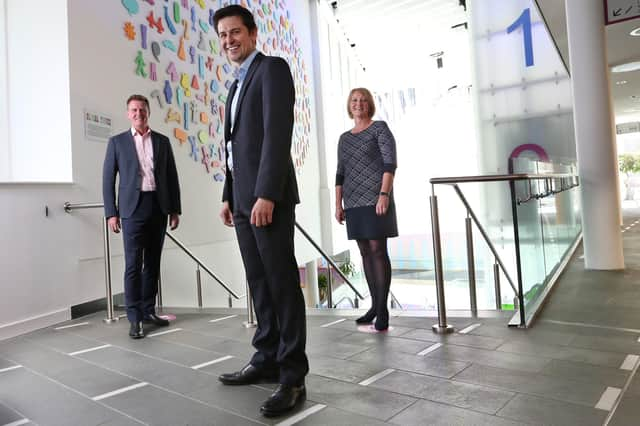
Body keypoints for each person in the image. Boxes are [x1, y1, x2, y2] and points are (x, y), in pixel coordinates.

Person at [213, 5, 308, 418]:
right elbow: (236, 147)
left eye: (235, 32)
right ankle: (266, 356)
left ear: (252, 33)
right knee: (258, 282)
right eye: (222, 35)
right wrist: (228, 194)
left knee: (282, 283)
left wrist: (266, 193)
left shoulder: (271, 69)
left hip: (267, 198)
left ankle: (292, 376)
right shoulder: (235, 85)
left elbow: (276, 133)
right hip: (241, 200)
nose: (228, 41)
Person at [102, 94, 181, 339]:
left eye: (142, 110)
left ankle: (148, 311)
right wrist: (111, 213)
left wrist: (175, 209)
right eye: (134, 110)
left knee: (153, 263)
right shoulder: (117, 142)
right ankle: (134, 318)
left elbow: (171, 177)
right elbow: (107, 179)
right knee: (133, 265)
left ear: (148, 112)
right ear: (128, 114)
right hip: (131, 210)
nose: (138, 114)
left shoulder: (162, 141)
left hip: (157, 207)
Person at [335, 88, 398, 331]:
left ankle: (382, 310)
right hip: (353, 201)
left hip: (376, 198)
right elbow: (340, 172)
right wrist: (338, 203)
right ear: (349, 105)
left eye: (362, 100)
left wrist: (384, 194)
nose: (358, 104)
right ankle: (374, 306)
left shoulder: (379, 128)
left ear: (369, 104)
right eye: (354, 100)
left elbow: (390, 164)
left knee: (377, 251)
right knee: (364, 252)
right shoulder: (344, 138)